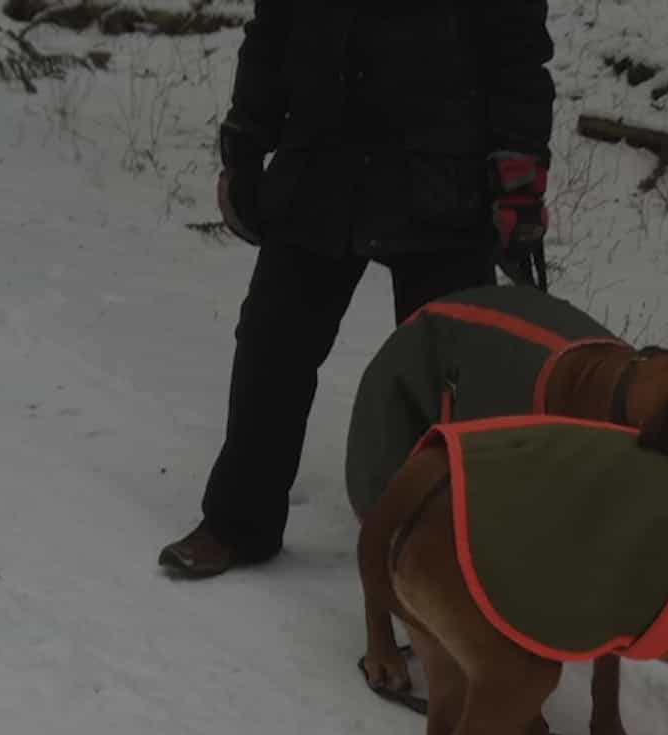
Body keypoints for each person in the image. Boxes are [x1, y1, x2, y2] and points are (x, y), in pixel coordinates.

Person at [159, 0, 555, 579]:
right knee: (271, 347)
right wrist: (244, 145)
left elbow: (519, 59)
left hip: (443, 182)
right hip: (321, 168)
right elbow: (272, 32)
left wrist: (518, 185)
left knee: (448, 382)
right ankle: (238, 523)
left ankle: (443, 556)